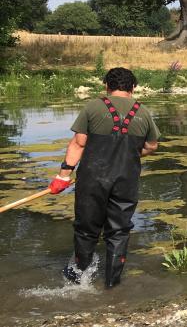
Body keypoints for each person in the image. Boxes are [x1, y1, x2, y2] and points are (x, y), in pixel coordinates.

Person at [48, 67, 160, 287]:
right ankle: (112, 285)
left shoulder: (93, 107)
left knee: (86, 229)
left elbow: (79, 144)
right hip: (126, 181)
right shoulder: (143, 112)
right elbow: (151, 146)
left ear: (107, 86)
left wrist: (63, 176)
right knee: (119, 231)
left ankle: (78, 281)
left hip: (92, 179)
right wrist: (126, 153)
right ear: (133, 87)